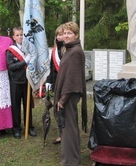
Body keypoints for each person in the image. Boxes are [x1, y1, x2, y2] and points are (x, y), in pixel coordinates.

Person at [54, 22, 87, 166]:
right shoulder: (70, 49)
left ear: (76, 35)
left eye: (69, 33)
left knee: (68, 128)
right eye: (64, 33)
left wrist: (63, 99)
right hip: (66, 93)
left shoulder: (75, 52)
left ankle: (70, 161)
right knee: (68, 127)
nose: (66, 36)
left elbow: (72, 79)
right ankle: (72, 158)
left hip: (69, 94)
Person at [6, 26, 36, 139]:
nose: (20, 37)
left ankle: (29, 126)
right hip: (15, 81)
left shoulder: (29, 48)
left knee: (28, 104)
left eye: (22, 35)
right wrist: (24, 61)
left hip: (27, 80)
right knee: (16, 105)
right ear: (13, 37)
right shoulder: (10, 50)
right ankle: (16, 128)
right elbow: (11, 66)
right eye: (17, 35)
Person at [45, 24, 65, 145]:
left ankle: (67, 133)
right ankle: (61, 133)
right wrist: (49, 81)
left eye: (62, 34)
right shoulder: (54, 50)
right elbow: (52, 67)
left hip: (66, 83)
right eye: (58, 34)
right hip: (57, 83)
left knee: (65, 109)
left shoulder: (68, 49)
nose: (60, 36)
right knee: (57, 110)